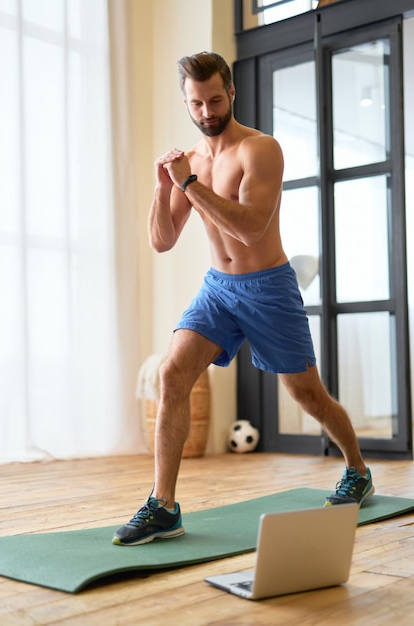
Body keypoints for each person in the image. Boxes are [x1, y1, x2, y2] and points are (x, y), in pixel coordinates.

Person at [112, 52, 374, 547]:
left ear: (231, 93)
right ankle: (163, 505)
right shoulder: (190, 159)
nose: (207, 111)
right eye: (197, 102)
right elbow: (162, 241)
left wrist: (188, 183)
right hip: (218, 287)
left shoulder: (261, 150)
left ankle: (357, 470)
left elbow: (253, 230)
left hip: (269, 286)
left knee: (306, 394)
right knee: (172, 373)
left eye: (215, 99)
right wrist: (159, 187)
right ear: (185, 103)